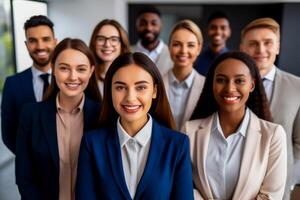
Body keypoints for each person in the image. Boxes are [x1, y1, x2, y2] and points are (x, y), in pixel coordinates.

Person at [76, 52, 193, 200]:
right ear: (110, 91)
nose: (130, 97)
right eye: (120, 87)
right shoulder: (92, 144)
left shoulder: (178, 145)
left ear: (155, 91)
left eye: (141, 87)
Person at [186, 51, 287, 200]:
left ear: (252, 85)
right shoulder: (189, 131)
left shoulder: (273, 135)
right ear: (212, 83)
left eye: (239, 81)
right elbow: (186, 188)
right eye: (221, 80)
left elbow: (270, 196)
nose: (230, 88)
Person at [15, 38, 101, 200]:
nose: (73, 77)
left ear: (91, 71)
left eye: (81, 69)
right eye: (64, 68)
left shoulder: (102, 115)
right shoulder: (31, 115)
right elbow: (24, 177)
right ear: (53, 68)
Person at [240, 17, 300, 200]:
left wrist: (286, 175)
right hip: (236, 184)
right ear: (242, 48)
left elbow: (298, 141)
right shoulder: (230, 86)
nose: (261, 50)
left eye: (268, 43)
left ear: (278, 47)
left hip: (279, 188)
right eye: (253, 44)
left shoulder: (297, 86)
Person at [1, 15, 57, 153]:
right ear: (26, 45)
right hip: (29, 171)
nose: (40, 46)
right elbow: (8, 134)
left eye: (46, 39)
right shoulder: (12, 84)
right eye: (33, 41)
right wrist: (28, 159)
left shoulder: (69, 81)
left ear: (55, 42)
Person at [163, 19, 205, 131]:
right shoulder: (155, 84)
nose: (183, 50)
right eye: (177, 44)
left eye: (190, 45)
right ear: (169, 47)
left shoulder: (207, 87)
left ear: (199, 49)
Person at [89, 19, 130, 97]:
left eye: (114, 39)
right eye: (101, 39)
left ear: (122, 44)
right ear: (94, 43)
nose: (107, 44)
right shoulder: (86, 75)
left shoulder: (133, 74)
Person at [131, 6, 173, 76]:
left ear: (160, 26)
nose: (149, 28)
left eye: (154, 23)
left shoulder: (172, 53)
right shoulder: (126, 51)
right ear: (137, 25)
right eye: (143, 23)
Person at [194, 11, 231, 76]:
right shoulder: (196, 59)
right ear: (207, 30)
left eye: (223, 28)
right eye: (213, 27)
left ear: (229, 32)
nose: (218, 32)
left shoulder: (234, 60)